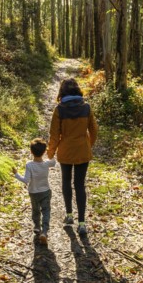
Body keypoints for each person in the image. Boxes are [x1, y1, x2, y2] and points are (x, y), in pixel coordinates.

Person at [47, 78, 98, 236]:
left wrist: (50, 153)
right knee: (80, 185)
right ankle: (82, 223)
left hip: (65, 151)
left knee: (66, 182)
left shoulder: (59, 110)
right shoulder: (87, 108)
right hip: (83, 150)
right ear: (77, 91)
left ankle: (69, 215)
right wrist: (88, 145)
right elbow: (94, 130)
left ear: (62, 92)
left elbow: (54, 135)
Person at [12, 138, 56, 245]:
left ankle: (37, 227)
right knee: (46, 211)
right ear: (44, 152)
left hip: (33, 192)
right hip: (45, 191)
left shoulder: (29, 165)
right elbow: (54, 162)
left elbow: (26, 180)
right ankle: (44, 232)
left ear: (31, 152)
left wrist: (16, 174)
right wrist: (51, 152)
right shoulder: (46, 164)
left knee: (35, 210)